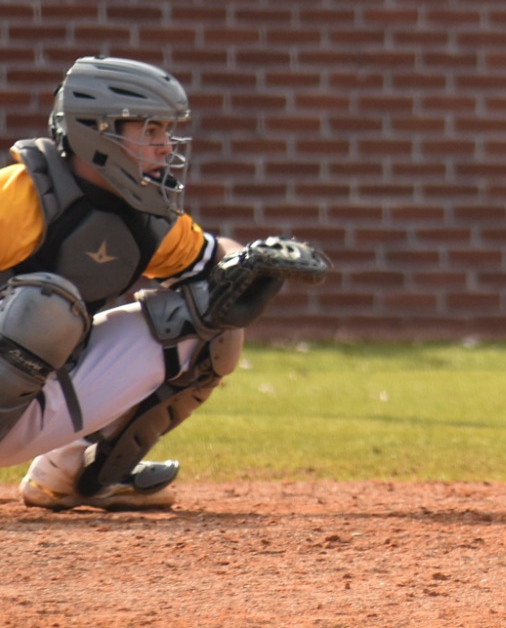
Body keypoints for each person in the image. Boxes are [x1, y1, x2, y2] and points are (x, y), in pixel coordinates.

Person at [1, 56, 327, 510]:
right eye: (150, 130)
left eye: (166, 131)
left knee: (213, 317)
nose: (165, 145)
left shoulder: (144, 215)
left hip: (26, 407)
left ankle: (74, 472)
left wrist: (252, 260)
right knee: (46, 310)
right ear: (96, 131)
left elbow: (212, 260)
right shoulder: (21, 195)